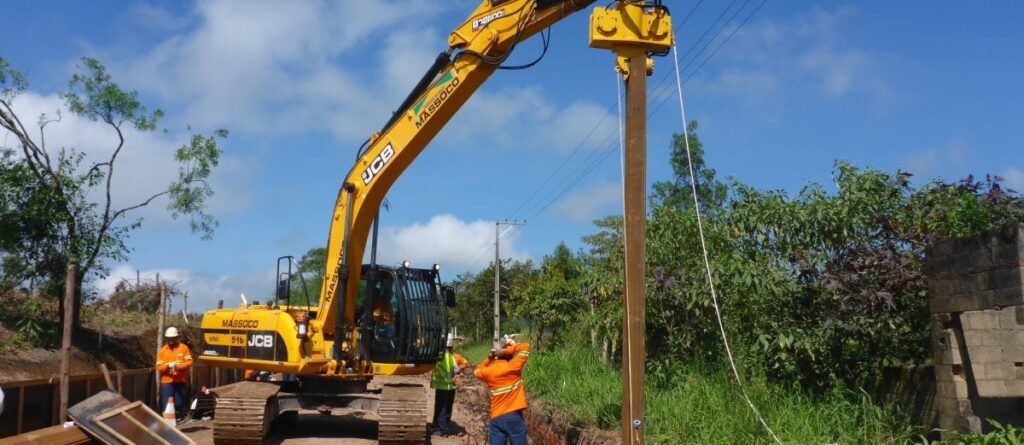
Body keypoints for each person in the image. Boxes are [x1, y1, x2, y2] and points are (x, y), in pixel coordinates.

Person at [474, 334, 530, 445]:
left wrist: (489, 358)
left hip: (497, 418)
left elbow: (476, 371)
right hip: (514, 417)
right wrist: (510, 348)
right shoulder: (514, 366)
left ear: (496, 355)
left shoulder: (489, 372)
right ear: (508, 354)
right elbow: (526, 347)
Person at [430, 333, 469, 437]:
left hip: (442, 386)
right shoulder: (451, 357)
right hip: (448, 385)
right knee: (443, 407)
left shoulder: (439, 355)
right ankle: (439, 426)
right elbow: (457, 370)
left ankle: (442, 430)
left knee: (441, 408)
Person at [156, 326, 193, 421]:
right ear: (167, 339)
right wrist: (167, 366)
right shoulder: (163, 350)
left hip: (180, 380)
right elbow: (159, 366)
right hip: (167, 381)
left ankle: (178, 416)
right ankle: (167, 421)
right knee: (167, 403)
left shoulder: (183, 348)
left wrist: (179, 367)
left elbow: (189, 362)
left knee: (179, 403)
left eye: (173, 338)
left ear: (176, 338)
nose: (171, 341)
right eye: (169, 339)